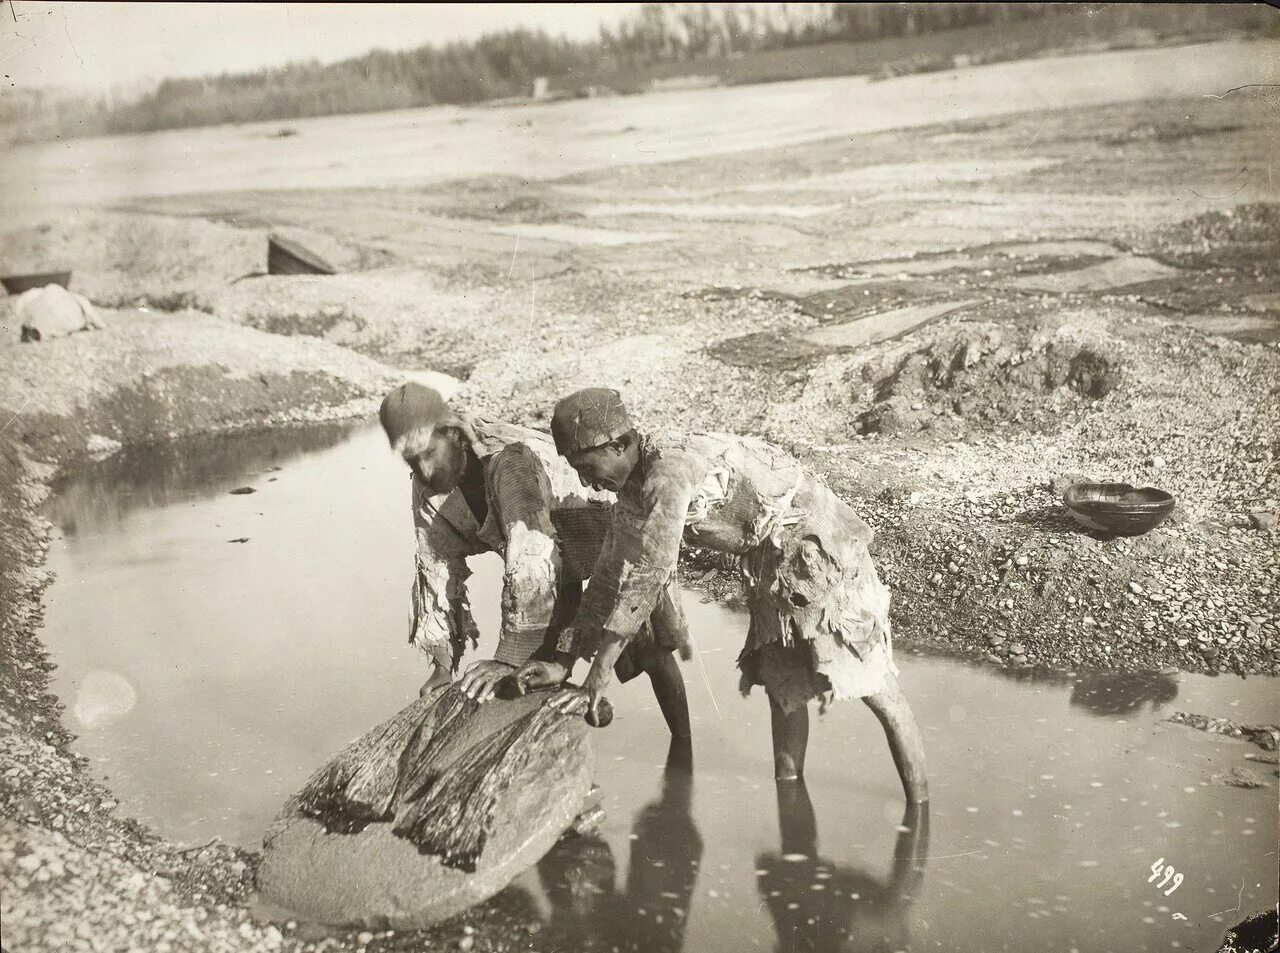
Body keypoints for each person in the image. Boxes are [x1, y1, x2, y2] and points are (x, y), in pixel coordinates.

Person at [513, 387, 928, 802]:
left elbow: (648, 578)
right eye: (577, 472)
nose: (588, 483)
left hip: (817, 542)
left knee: (875, 685)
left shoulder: (667, 474)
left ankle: (920, 809)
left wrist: (597, 680)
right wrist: (563, 663)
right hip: (769, 561)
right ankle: (792, 819)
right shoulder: (630, 485)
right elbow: (608, 576)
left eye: (588, 468)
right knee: (785, 690)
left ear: (621, 444)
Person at [378, 382, 691, 738]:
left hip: (603, 528)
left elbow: (531, 559)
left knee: (647, 646)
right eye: (411, 460)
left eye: (429, 453)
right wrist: (442, 664)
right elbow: (435, 566)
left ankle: (684, 751)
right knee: (546, 666)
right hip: (553, 565)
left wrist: (507, 658)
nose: (425, 469)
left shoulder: (507, 459)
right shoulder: (426, 484)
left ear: (452, 433)